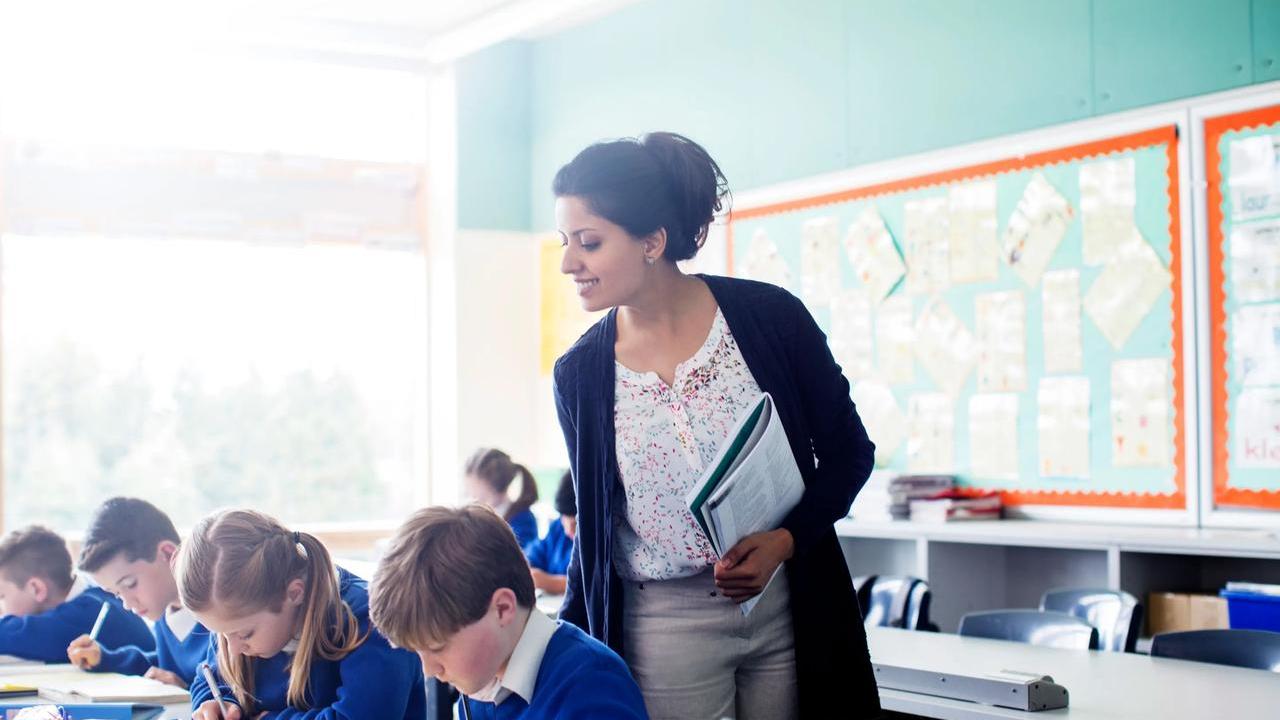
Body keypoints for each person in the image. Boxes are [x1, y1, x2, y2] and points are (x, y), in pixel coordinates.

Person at [551, 132, 880, 718]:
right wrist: (565, 653)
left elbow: (850, 452)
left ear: (653, 241)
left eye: (589, 243)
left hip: (786, 604)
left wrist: (786, 539)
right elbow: (595, 536)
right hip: (662, 624)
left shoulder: (771, 319)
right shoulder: (579, 374)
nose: (568, 263)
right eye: (564, 242)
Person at [369, 504, 647, 720]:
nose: (429, 670)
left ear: (502, 609)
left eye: (438, 647)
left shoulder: (591, 686)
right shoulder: (482, 677)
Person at [177, 509, 426, 720]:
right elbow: (208, 676)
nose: (232, 649)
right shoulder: (234, 623)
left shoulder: (369, 622)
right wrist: (214, 704)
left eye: (245, 634)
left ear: (294, 593)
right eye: (220, 635)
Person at [67, 497, 212, 687]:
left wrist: (188, 692)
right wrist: (105, 658)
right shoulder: (164, 612)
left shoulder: (221, 619)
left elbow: (231, 692)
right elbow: (164, 666)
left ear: (168, 554)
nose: (127, 603)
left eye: (130, 584)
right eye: (116, 593)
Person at [0, 524, 154, 662]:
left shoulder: (85, 613)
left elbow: (7, 635)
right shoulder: (91, 597)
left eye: (2, 597)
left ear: (37, 589)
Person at [463, 448, 539, 551]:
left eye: (473, 487)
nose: (470, 494)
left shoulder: (523, 520)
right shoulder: (476, 517)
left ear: (492, 486)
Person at [526, 471, 576, 596]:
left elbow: (592, 583)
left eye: (576, 523)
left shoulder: (597, 542)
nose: (568, 530)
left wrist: (550, 582)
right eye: (564, 518)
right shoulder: (558, 527)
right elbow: (536, 552)